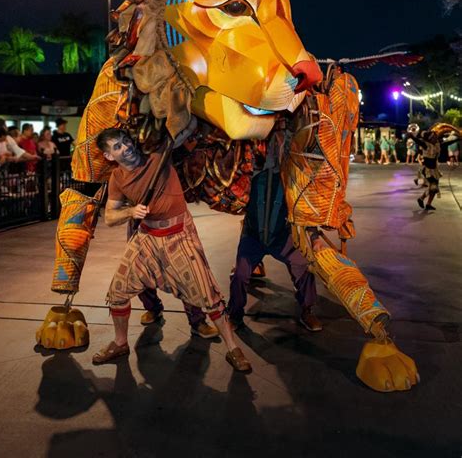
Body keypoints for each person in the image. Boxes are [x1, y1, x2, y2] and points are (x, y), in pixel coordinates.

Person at [92, 128, 251, 372]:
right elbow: (110, 217)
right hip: (147, 237)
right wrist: (130, 211)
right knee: (118, 291)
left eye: (125, 141)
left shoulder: (158, 156)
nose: (126, 147)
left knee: (208, 294)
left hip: (178, 234)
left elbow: (185, 127)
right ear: (109, 156)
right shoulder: (117, 178)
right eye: (117, 147)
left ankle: (233, 348)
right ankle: (121, 342)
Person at [228, 168, 322, 333]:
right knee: (240, 276)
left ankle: (307, 310)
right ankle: (234, 315)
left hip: (281, 237)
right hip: (253, 237)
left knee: (303, 267)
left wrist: (315, 237)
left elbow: (304, 207)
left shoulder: (291, 175)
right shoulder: (249, 171)